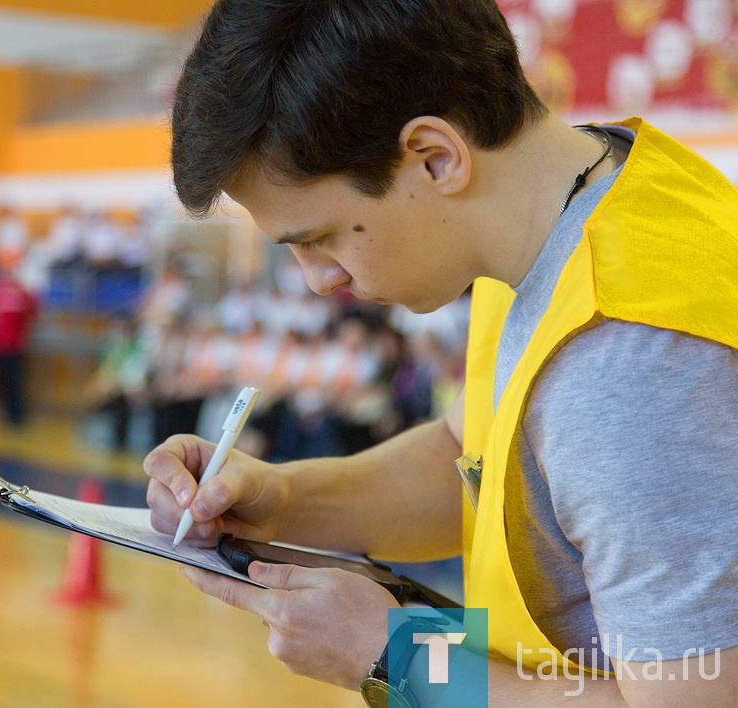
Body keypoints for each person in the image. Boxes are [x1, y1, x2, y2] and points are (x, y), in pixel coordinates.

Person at [143, 0, 738, 704]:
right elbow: (472, 464)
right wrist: (280, 498)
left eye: (321, 236)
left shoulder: (627, 365)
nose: (319, 278)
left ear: (435, 157)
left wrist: (399, 657)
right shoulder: (566, 212)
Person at [0, 248, 38, 426]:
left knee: (15, 381)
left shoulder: (22, 291)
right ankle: (7, 413)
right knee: (3, 381)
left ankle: (17, 415)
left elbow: (31, 315)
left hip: (15, 345)